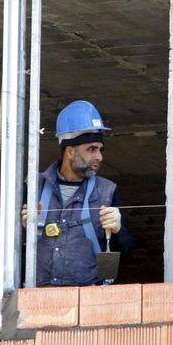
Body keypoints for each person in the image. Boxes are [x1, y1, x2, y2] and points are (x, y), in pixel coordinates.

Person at [22, 100, 133, 286]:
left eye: (100, 149)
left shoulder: (107, 191)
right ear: (70, 151)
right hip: (36, 300)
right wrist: (24, 231)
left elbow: (125, 252)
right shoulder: (33, 187)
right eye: (92, 149)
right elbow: (7, 255)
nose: (99, 156)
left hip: (87, 304)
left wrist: (118, 231)